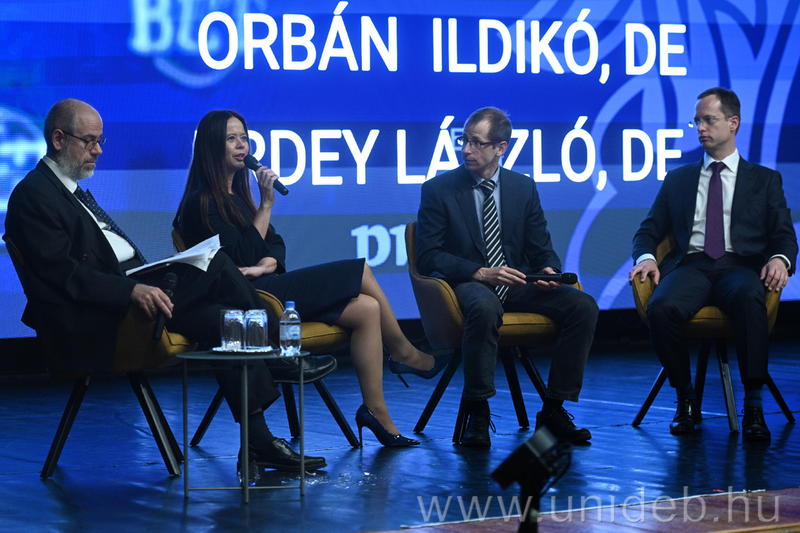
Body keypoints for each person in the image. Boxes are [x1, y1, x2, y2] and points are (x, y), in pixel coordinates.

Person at [3, 98, 330, 474]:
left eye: (100, 141)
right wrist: (131, 290)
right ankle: (279, 353)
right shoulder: (34, 195)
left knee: (225, 319)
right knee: (218, 262)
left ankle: (257, 440)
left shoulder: (70, 190)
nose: (98, 150)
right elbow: (64, 275)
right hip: (100, 317)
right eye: (89, 141)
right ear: (59, 139)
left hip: (133, 292)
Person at [173, 110, 446, 447]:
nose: (242, 145)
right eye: (231, 139)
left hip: (263, 283)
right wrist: (267, 205)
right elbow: (241, 257)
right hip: (249, 304)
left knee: (367, 309)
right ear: (211, 147)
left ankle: (376, 411)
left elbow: (273, 243)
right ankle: (403, 350)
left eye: (244, 137)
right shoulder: (201, 204)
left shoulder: (238, 197)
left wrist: (268, 263)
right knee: (360, 270)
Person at [416, 107, 599, 447]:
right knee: (484, 306)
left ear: (501, 148)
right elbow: (428, 256)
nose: (466, 150)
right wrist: (478, 271)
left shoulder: (522, 188)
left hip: (515, 282)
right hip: (468, 284)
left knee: (583, 306)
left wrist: (548, 270)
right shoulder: (438, 190)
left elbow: (541, 248)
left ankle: (554, 409)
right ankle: (477, 410)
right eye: (463, 141)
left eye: (476, 143)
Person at [630, 87, 797, 441]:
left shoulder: (765, 180)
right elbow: (647, 231)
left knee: (750, 299)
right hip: (691, 267)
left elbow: (784, 236)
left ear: (733, 123)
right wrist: (646, 258)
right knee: (662, 307)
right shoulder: (678, 179)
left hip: (740, 267)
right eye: (697, 122)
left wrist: (780, 260)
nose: (700, 128)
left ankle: (753, 405)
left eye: (709, 120)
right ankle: (686, 400)